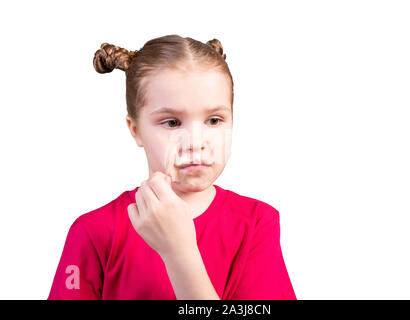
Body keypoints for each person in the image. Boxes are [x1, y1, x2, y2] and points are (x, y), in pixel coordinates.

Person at [47, 34, 297, 300]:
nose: (196, 143)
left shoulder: (257, 223)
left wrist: (180, 254)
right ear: (136, 130)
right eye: (172, 123)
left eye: (214, 120)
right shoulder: (92, 232)